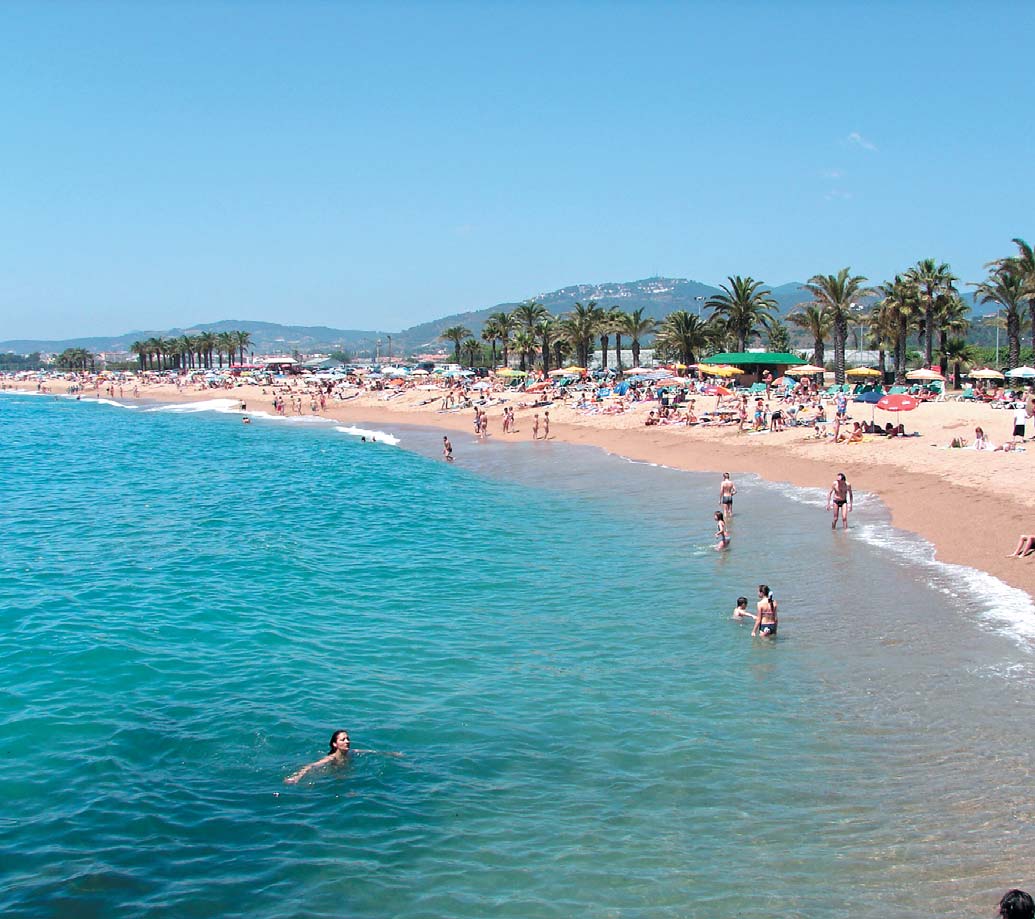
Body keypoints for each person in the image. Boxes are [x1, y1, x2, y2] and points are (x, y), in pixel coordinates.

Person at [284, 729, 400, 784]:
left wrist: (391, 754)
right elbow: (310, 766)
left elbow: (372, 752)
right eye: (343, 739)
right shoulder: (331, 758)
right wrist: (296, 777)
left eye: (347, 738)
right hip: (332, 775)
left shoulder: (352, 752)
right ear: (335, 744)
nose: (347, 741)